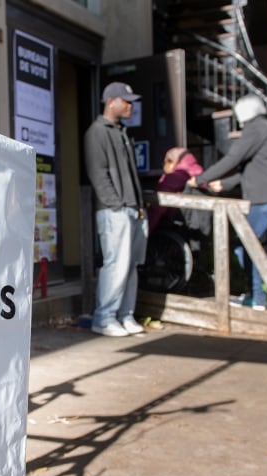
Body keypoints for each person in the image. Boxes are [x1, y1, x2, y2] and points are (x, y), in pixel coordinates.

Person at [186, 93, 267, 314]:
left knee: (245, 246)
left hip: (263, 199)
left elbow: (233, 159)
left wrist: (201, 179)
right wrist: (225, 183)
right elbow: (252, 170)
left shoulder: (255, 130)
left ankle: (256, 297)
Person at [84, 82, 148, 337]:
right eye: (126, 101)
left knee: (130, 266)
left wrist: (138, 206)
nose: (131, 105)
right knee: (116, 265)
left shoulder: (122, 132)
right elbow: (98, 173)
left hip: (133, 209)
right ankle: (104, 317)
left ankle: (125, 315)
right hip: (115, 211)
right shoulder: (97, 132)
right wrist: (116, 205)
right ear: (111, 101)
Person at [149, 147, 203, 233]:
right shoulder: (200, 173)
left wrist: (148, 228)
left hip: (183, 223)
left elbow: (158, 207)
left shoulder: (175, 177)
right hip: (201, 222)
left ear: (171, 162)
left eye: (165, 162)